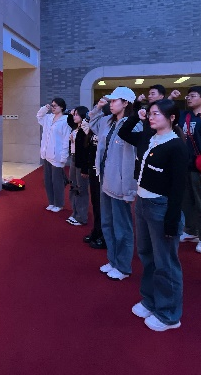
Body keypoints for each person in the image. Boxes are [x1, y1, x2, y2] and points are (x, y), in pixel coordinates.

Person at [129, 99, 188, 331]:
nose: (151, 117)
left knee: (165, 262)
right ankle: (150, 299)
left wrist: (172, 219)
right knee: (147, 255)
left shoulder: (176, 146)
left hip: (161, 206)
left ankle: (169, 314)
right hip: (143, 202)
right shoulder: (152, 138)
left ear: (172, 118)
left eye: (156, 114)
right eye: (150, 113)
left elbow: (178, 187)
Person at [88, 87, 139, 281]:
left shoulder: (133, 125)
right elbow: (92, 124)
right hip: (105, 178)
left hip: (120, 183)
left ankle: (123, 266)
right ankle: (113, 260)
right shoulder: (108, 121)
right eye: (110, 101)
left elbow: (132, 160)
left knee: (122, 227)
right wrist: (97, 108)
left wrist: (129, 190)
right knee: (107, 223)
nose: (111, 104)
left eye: (114, 101)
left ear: (126, 103)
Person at [178, 86, 201, 254]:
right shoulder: (184, 116)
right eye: (188, 96)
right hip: (184, 165)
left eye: (193, 96)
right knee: (186, 201)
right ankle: (191, 231)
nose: (189, 98)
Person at [82, 103, 112, 249]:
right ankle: (97, 230)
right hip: (94, 169)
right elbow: (90, 148)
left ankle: (105, 235)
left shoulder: (110, 127)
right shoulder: (96, 127)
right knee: (95, 202)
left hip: (105, 171)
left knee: (103, 205)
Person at [37, 98, 71, 213]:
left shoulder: (65, 120)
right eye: (52, 105)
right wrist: (45, 108)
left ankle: (59, 204)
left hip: (57, 156)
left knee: (57, 182)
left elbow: (66, 139)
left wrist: (64, 156)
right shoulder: (48, 118)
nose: (53, 107)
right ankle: (51, 202)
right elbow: (39, 116)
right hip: (47, 154)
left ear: (62, 107)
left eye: (55, 106)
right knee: (48, 181)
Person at [66, 106, 91, 226]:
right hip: (73, 158)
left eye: (76, 114)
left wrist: (85, 168)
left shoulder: (86, 129)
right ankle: (75, 212)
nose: (74, 116)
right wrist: (71, 114)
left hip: (81, 161)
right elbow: (69, 120)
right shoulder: (75, 128)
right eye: (74, 114)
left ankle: (81, 216)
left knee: (81, 189)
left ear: (82, 115)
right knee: (73, 186)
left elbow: (87, 150)